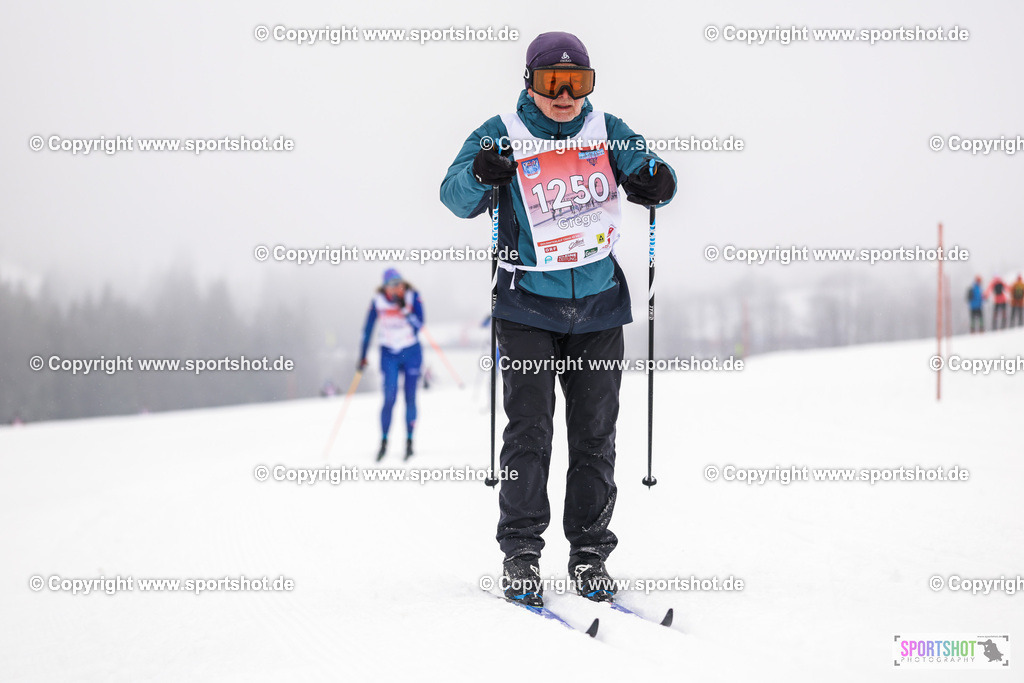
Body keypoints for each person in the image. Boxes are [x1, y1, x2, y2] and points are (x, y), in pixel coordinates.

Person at [440, 31, 676, 606]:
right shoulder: (500, 131)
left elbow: (652, 173)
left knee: (595, 433)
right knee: (530, 430)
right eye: (552, 83)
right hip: (527, 305)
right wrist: (481, 174)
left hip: (598, 305)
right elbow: (454, 196)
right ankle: (521, 552)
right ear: (530, 83)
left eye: (577, 83)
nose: (565, 95)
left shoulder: (606, 129)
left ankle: (590, 552)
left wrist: (657, 179)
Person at [358, 268, 424, 461]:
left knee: (410, 398)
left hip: (411, 352)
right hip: (389, 353)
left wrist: (405, 310)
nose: (397, 289)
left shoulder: (412, 297)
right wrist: (362, 356)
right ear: (385, 287)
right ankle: (384, 441)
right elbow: (367, 329)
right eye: (393, 285)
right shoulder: (378, 301)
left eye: (400, 284)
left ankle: (409, 441)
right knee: (389, 397)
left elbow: (420, 325)